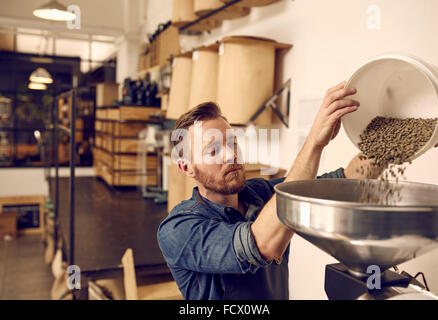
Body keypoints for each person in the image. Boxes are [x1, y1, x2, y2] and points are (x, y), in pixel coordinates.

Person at [157, 81, 401, 299]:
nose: (231, 155)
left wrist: (395, 140)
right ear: (186, 167)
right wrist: (314, 142)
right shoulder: (178, 229)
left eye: (232, 143)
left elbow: (344, 183)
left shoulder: (259, 193)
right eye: (213, 151)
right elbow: (261, 244)